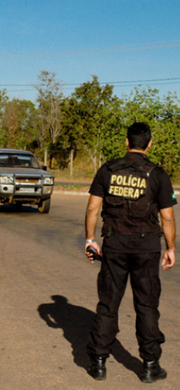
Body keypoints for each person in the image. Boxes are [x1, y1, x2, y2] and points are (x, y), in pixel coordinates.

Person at [84, 122, 176, 383]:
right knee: (146, 305)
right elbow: (167, 218)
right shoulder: (157, 174)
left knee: (108, 303)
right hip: (146, 249)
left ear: (126, 142)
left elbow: (92, 209)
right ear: (149, 144)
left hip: (114, 246)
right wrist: (170, 248)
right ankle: (150, 366)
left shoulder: (108, 169)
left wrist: (90, 239)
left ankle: (98, 363)